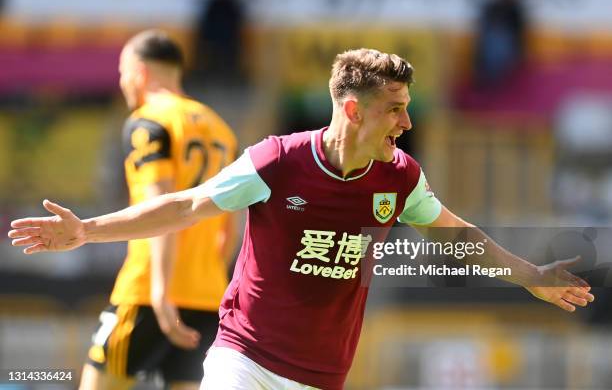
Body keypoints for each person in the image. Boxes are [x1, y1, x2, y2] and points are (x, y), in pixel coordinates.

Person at [9, 48, 594, 390]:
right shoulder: (278, 161)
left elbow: (460, 238)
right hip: (244, 360)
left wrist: (532, 275)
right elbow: (185, 205)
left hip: (322, 377)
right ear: (352, 109)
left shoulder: (401, 178)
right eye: (395, 109)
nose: (407, 123)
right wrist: (86, 229)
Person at [53, 29, 237, 389]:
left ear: (138, 72)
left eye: (122, 74)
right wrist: (212, 277)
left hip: (150, 292)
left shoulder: (149, 122)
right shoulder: (221, 130)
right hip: (206, 295)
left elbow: (161, 207)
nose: (122, 84)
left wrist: (161, 291)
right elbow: (233, 218)